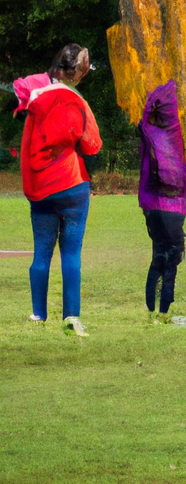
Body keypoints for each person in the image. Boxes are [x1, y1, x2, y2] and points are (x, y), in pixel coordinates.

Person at [18, 43, 103, 336]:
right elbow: (92, 145)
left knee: (41, 253)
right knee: (71, 254)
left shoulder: (34, 100)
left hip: (41, 189)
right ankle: (71, 316)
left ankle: (38, 314)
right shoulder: (76, 101)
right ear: (75, 73)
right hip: (72, 185)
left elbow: (28, 147)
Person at [138, 81, 186, 315]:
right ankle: (164, 305)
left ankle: (152, 304)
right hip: (174, 205)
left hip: (151, 204)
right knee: (173, 254)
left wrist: (151, 101)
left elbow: (146, 117)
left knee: (158, 251)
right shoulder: (174, 132)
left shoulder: (147, 132)